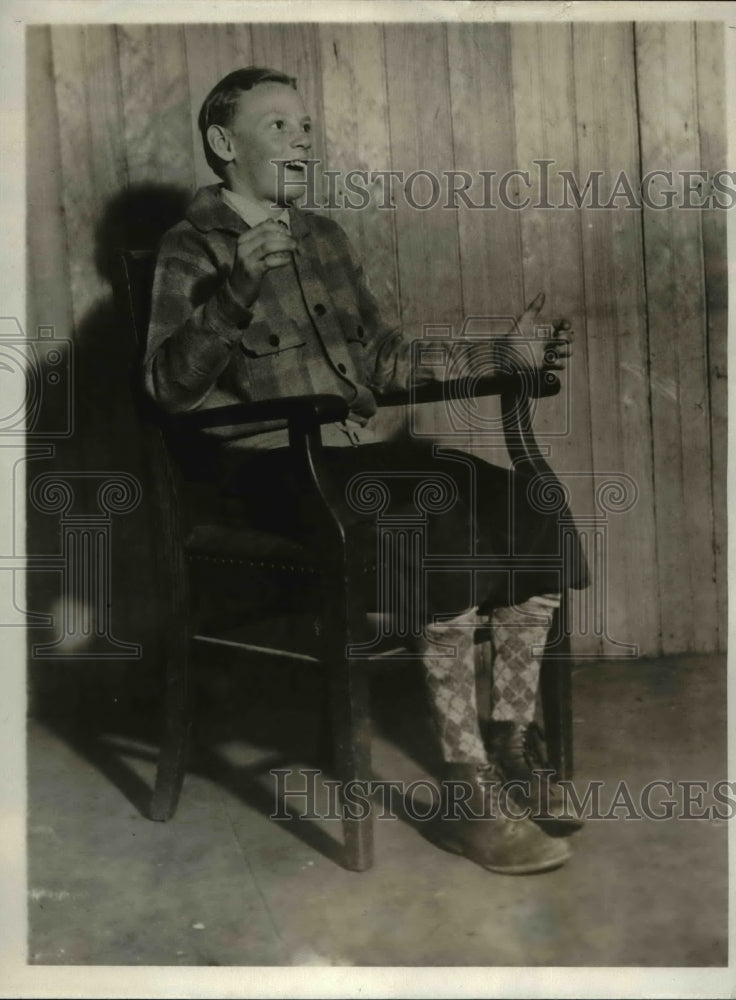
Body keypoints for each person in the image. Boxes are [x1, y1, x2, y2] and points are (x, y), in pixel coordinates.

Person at [144, 67, 589, 875]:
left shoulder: (323, 239)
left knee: (520, 505)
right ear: (223, 144)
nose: (301, 138)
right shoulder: (191, 247)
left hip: (353, 470)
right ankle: (464, 793)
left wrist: (500, 353)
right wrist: (237, 289)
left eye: (304, 125)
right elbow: (169, 387)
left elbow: (383, 358)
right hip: (265, 478)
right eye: (277, 125)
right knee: (432, 517)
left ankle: (508, 743)